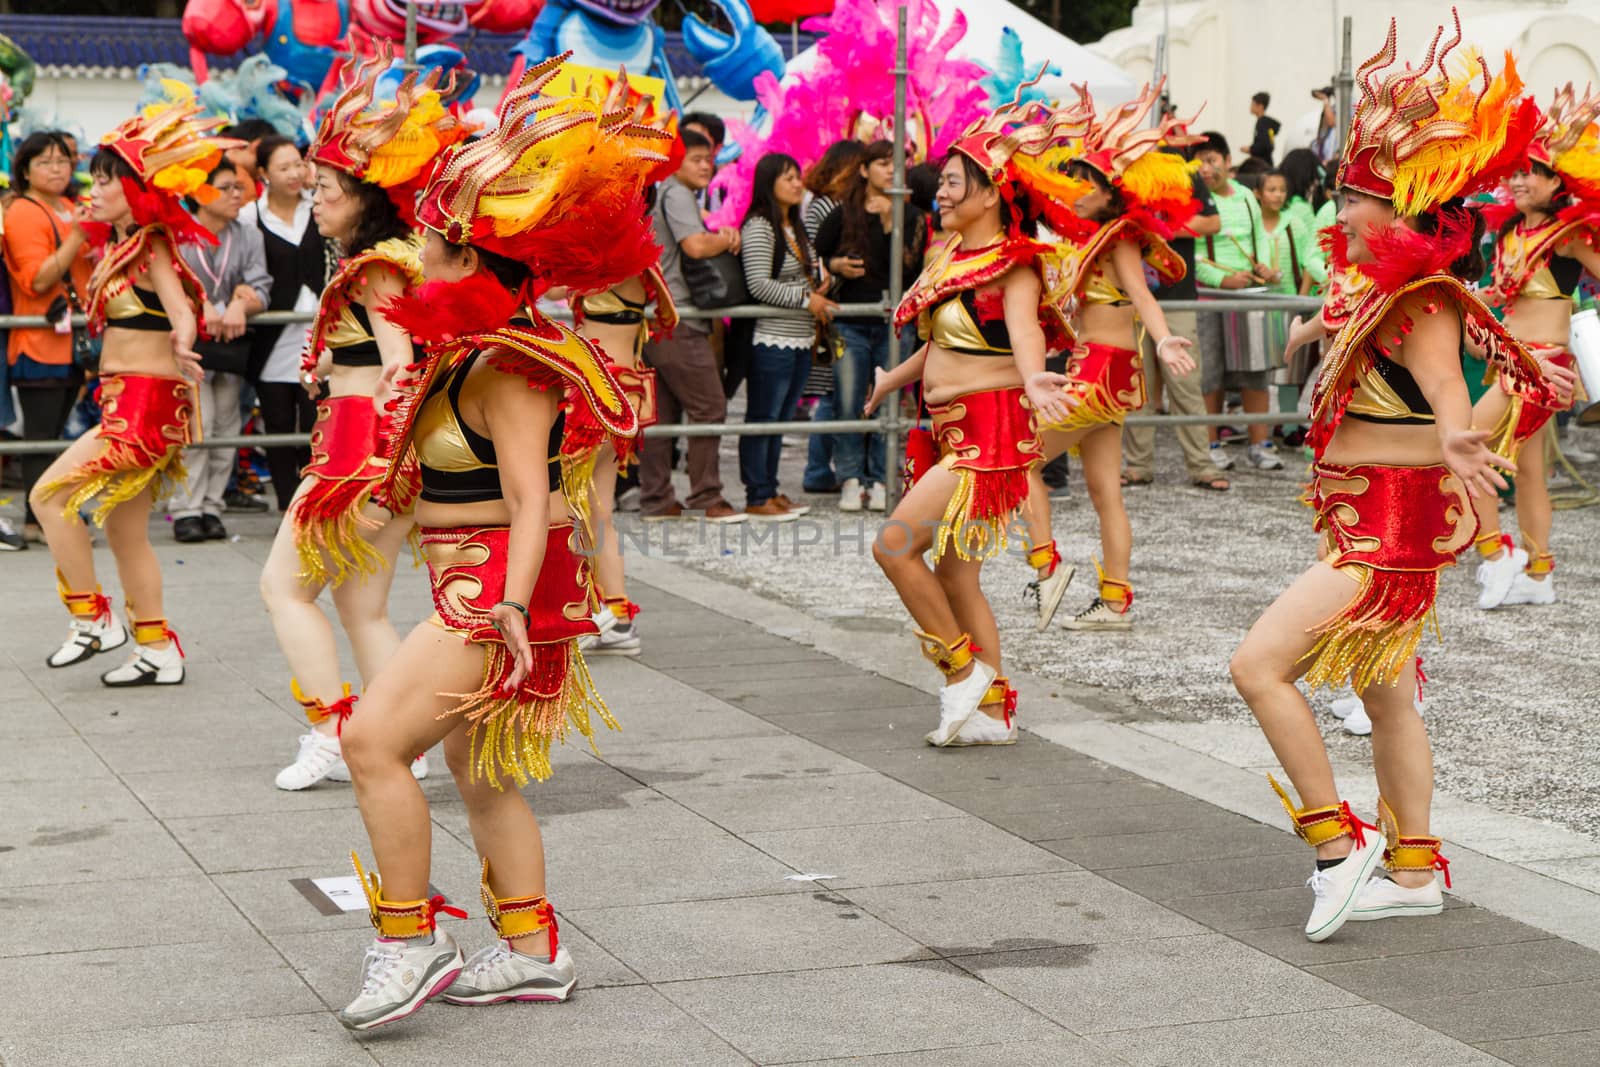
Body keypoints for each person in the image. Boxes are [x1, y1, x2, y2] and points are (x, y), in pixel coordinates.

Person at [334, 62, 656, 1029]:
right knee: (482, 772)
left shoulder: (513, 364)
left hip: (493, 591)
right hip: (468, 582)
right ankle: (532, 949)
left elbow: (533, 501)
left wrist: (512, 606)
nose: (416, 256)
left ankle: (408, 938)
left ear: (472, 259)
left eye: (431, 243)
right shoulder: (466, 354)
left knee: (368, 742)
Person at [1229, 20, 1559, 941]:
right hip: (1364, 521)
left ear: (1401, 205)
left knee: (1258, 666)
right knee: (1385, 693)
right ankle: (1414, 870)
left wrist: (1459, 437)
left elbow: (1452, 388)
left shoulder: (1422, 299)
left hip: (1388, 529)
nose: (1339, 211)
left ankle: (1339, 845)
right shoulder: (1379, 291)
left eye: (1355, 197)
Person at [260, 60, 465, 791]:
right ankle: (399, 738)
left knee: (283, 586)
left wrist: (384, 468)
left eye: (325, 190)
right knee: (361, 604)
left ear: (365, 197)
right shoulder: (399, 259)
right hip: (371, 446)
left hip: (359, 449)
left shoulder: (379, 267)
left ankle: (330, 725)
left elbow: (400, 368)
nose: (314, 201)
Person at [864, 98, 1076, 748]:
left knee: (895, 547)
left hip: (986, 436)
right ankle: (994, 713)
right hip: (946, 433)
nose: (942, 192)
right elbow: (944, 344)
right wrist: (891, 381)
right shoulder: (951, 255)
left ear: (991, 193)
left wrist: (1036, 374)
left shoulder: (1015, 265)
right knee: (956, 575)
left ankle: (965, 670)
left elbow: (1020, 335)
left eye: (955, 182)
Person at [29, 99, 235, 685]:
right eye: (92, 179)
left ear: (136, 190)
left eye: (105, 181)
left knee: (48, 496)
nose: (93, 190)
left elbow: (180, 310)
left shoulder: (153, 245)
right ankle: (157, 647)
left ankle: (93, 617)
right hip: (125, 400)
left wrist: (185, 342)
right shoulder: (119, 247)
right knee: (123, 529)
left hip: (145, 406)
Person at [1021, 83, 1200, 633]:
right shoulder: (1090, 236)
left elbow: (1144, 295)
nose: (1073, 187)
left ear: (1110, 191)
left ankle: (1046, 570)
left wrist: (1165, 337)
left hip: (1100, 368)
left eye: (1084, 180)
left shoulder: (1120, 237)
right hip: (1101, 368)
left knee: (1018, 457)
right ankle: (1115, 600)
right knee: (1104, 491)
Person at [1474, 86, 1600, 609]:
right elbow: (1501, 297)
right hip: (1509, 360)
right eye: (1517, 171)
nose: (1520, 180)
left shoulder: (1569, 235)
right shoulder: (1505, 236)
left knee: (1466, 447)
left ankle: (1494, 552)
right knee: (1527, 470)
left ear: (1556, 181)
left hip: (1542, 366)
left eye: (1533, 171)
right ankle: (1539, 571)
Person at [640, 128, 747, 523]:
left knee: (663, 413)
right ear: (677, 161)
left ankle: (656, 498)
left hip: (658, 314)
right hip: (677, 315)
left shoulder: (661, 190)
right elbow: (695, 246)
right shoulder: (677, 192)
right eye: (696, 158)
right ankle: (706, 495)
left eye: (709, 158)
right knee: (709, 405)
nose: (706, 166)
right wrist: (726, 238)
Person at [816, 140, 926, 512]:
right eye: (883, 163)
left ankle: (881, 478)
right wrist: (835, 267)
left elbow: (911, 268)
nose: (892, 170)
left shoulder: (912, 216)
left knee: (889, 404)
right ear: (864, 170)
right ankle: (850, 477)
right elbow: (820, 252)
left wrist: (890, 221)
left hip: (895, 325)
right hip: (850, 322)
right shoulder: (843, 212)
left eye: (898, 163)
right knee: (848, 402)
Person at [170, 160, 271, 542]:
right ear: (200, 192)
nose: (237, 195)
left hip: (230, 345)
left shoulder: (248, 235)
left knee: (228, 423)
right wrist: (200, 304)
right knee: (198, 424)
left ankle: (212, 505)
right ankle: (186, 508)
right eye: (227, 187)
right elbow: (168, 285)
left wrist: (240, 303)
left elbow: (261, 284)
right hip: (189, 345)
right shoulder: (177, 235)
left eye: (239, 187)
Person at [1122, 148, 1232, 492]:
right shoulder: (1124, 174)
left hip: (1177, 296)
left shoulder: (1186, 174)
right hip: (1129, 298)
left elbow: (1211, 222)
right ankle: (1138, 465)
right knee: (1137, 387)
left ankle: (1201, 464)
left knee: (1185, 382)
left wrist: (1155, 228)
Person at [4, 131, 93, 547]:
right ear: (25, 169)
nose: (58, 168)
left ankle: (50, 513)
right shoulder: (24, 211)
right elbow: (36, 280)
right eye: (46, 162)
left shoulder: (71, 206)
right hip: (39, 340)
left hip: (73, 340)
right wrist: (78, 236)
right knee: (42, 437)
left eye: (63, 160)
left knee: (59, 434)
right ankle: (36, 518)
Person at [739, 152, 837, 520]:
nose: (798, 183)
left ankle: (771, 488)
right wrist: (805, 297)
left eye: (798, 177)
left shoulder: (795, 226)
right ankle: (756, 492)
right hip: (771, 338)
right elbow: (758, 284)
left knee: (780, 418)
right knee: (763, 416)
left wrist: (819, 283)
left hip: (799, 338)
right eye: (788, 178)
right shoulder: (760, 226)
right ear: (769, 183)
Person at [242, 135, 325, 512]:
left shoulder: (320, 206)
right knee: (277, 425)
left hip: (318, 334)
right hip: (273, 336)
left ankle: (312, 504)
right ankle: (286, 505)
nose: (294, 173)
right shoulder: (250, 217)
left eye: (298, 164)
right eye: (283, 167)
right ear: (263, 174)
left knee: (316, 422)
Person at [1194, 131, 1284, 471]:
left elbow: (1258, 235)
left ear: (1227, 162)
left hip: (1248, 292)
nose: (1205, 168)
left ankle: (1260, 444)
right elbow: (1195, 255)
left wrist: (1262, 267)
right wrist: (1222, 279)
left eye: (1211, 160)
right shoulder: (1194, 200)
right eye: (1199, 161)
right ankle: (1210, 444)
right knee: (1210, 372)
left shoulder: (1247, 196)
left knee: (1256, 369)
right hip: (1209, 295)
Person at [800, 139, 869, 495]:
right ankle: (816, 469)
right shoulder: (828, 205)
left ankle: (818, 469)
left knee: (832, 391)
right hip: (827, 305)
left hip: (829, 303)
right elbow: (814, 256)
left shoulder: (823, 202)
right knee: (831, 393)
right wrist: (836, 268)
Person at [1247, 92, 1281, 165]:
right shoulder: (1266, 123)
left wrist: (1251, 149)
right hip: (1265, 163)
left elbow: (1266, 145)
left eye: (1253, 104)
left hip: (1263, 165)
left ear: (1260, 106)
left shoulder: (1263, 124)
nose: (1250, 107)